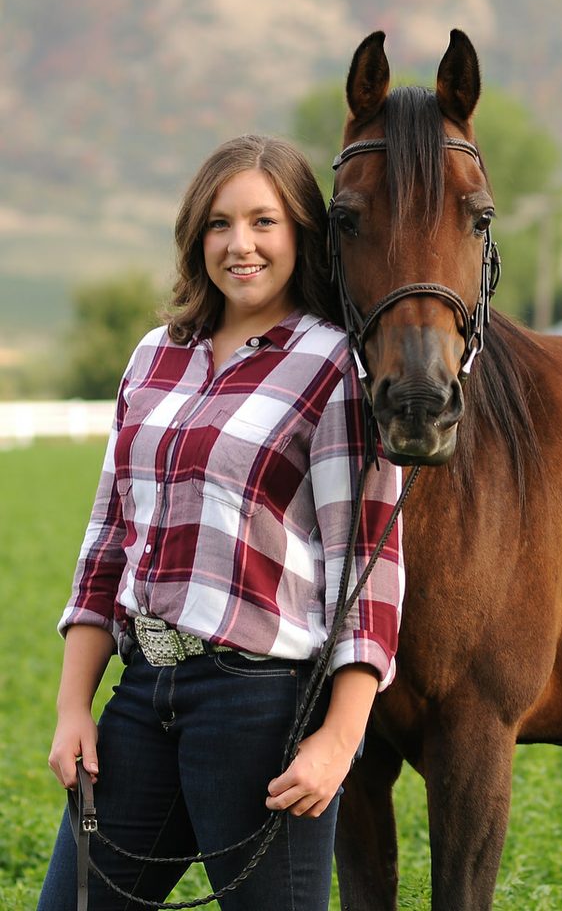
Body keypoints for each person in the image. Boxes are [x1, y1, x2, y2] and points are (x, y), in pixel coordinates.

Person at [37, 135, 405, 910]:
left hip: (259, 707)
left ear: (301, 233)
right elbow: (107, 540)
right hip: (142, 694)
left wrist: (338, 741)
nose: (239, 245)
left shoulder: (336, 364)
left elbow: (366, 567)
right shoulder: (153, 356)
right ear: (194, 235)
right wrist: (75, 706)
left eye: (263, 222)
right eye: (219, 223)